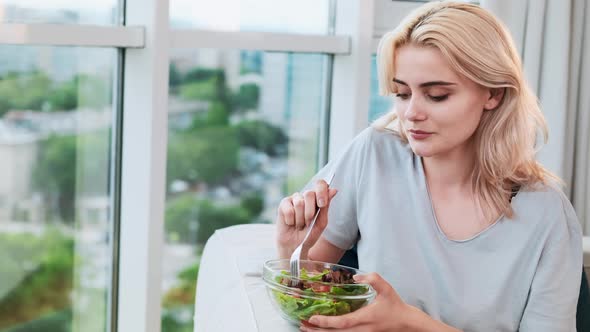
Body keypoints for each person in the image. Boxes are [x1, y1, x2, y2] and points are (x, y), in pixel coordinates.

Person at [275, 2, 583, 331]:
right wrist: (294, 254)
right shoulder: (374, 154)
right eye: (402, 93)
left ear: (493, 93)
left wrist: (411, 324)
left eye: (436, 95)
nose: (411, 114)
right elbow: (309, 311)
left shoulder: (547, 215)